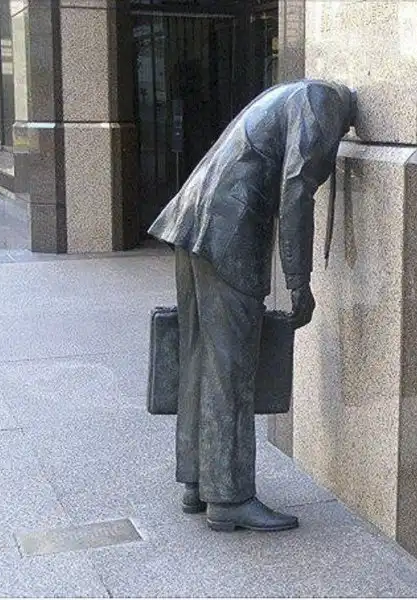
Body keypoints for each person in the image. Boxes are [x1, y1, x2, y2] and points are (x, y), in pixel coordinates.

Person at [148, 79, 357, 532]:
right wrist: (298, 282)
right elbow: (297, 189)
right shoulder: (322, 102)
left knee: (200, 357)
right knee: (231, 368)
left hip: (193, 223)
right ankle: (229, 497)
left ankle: (199, 481)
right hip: (228, 233)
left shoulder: (290, 94)